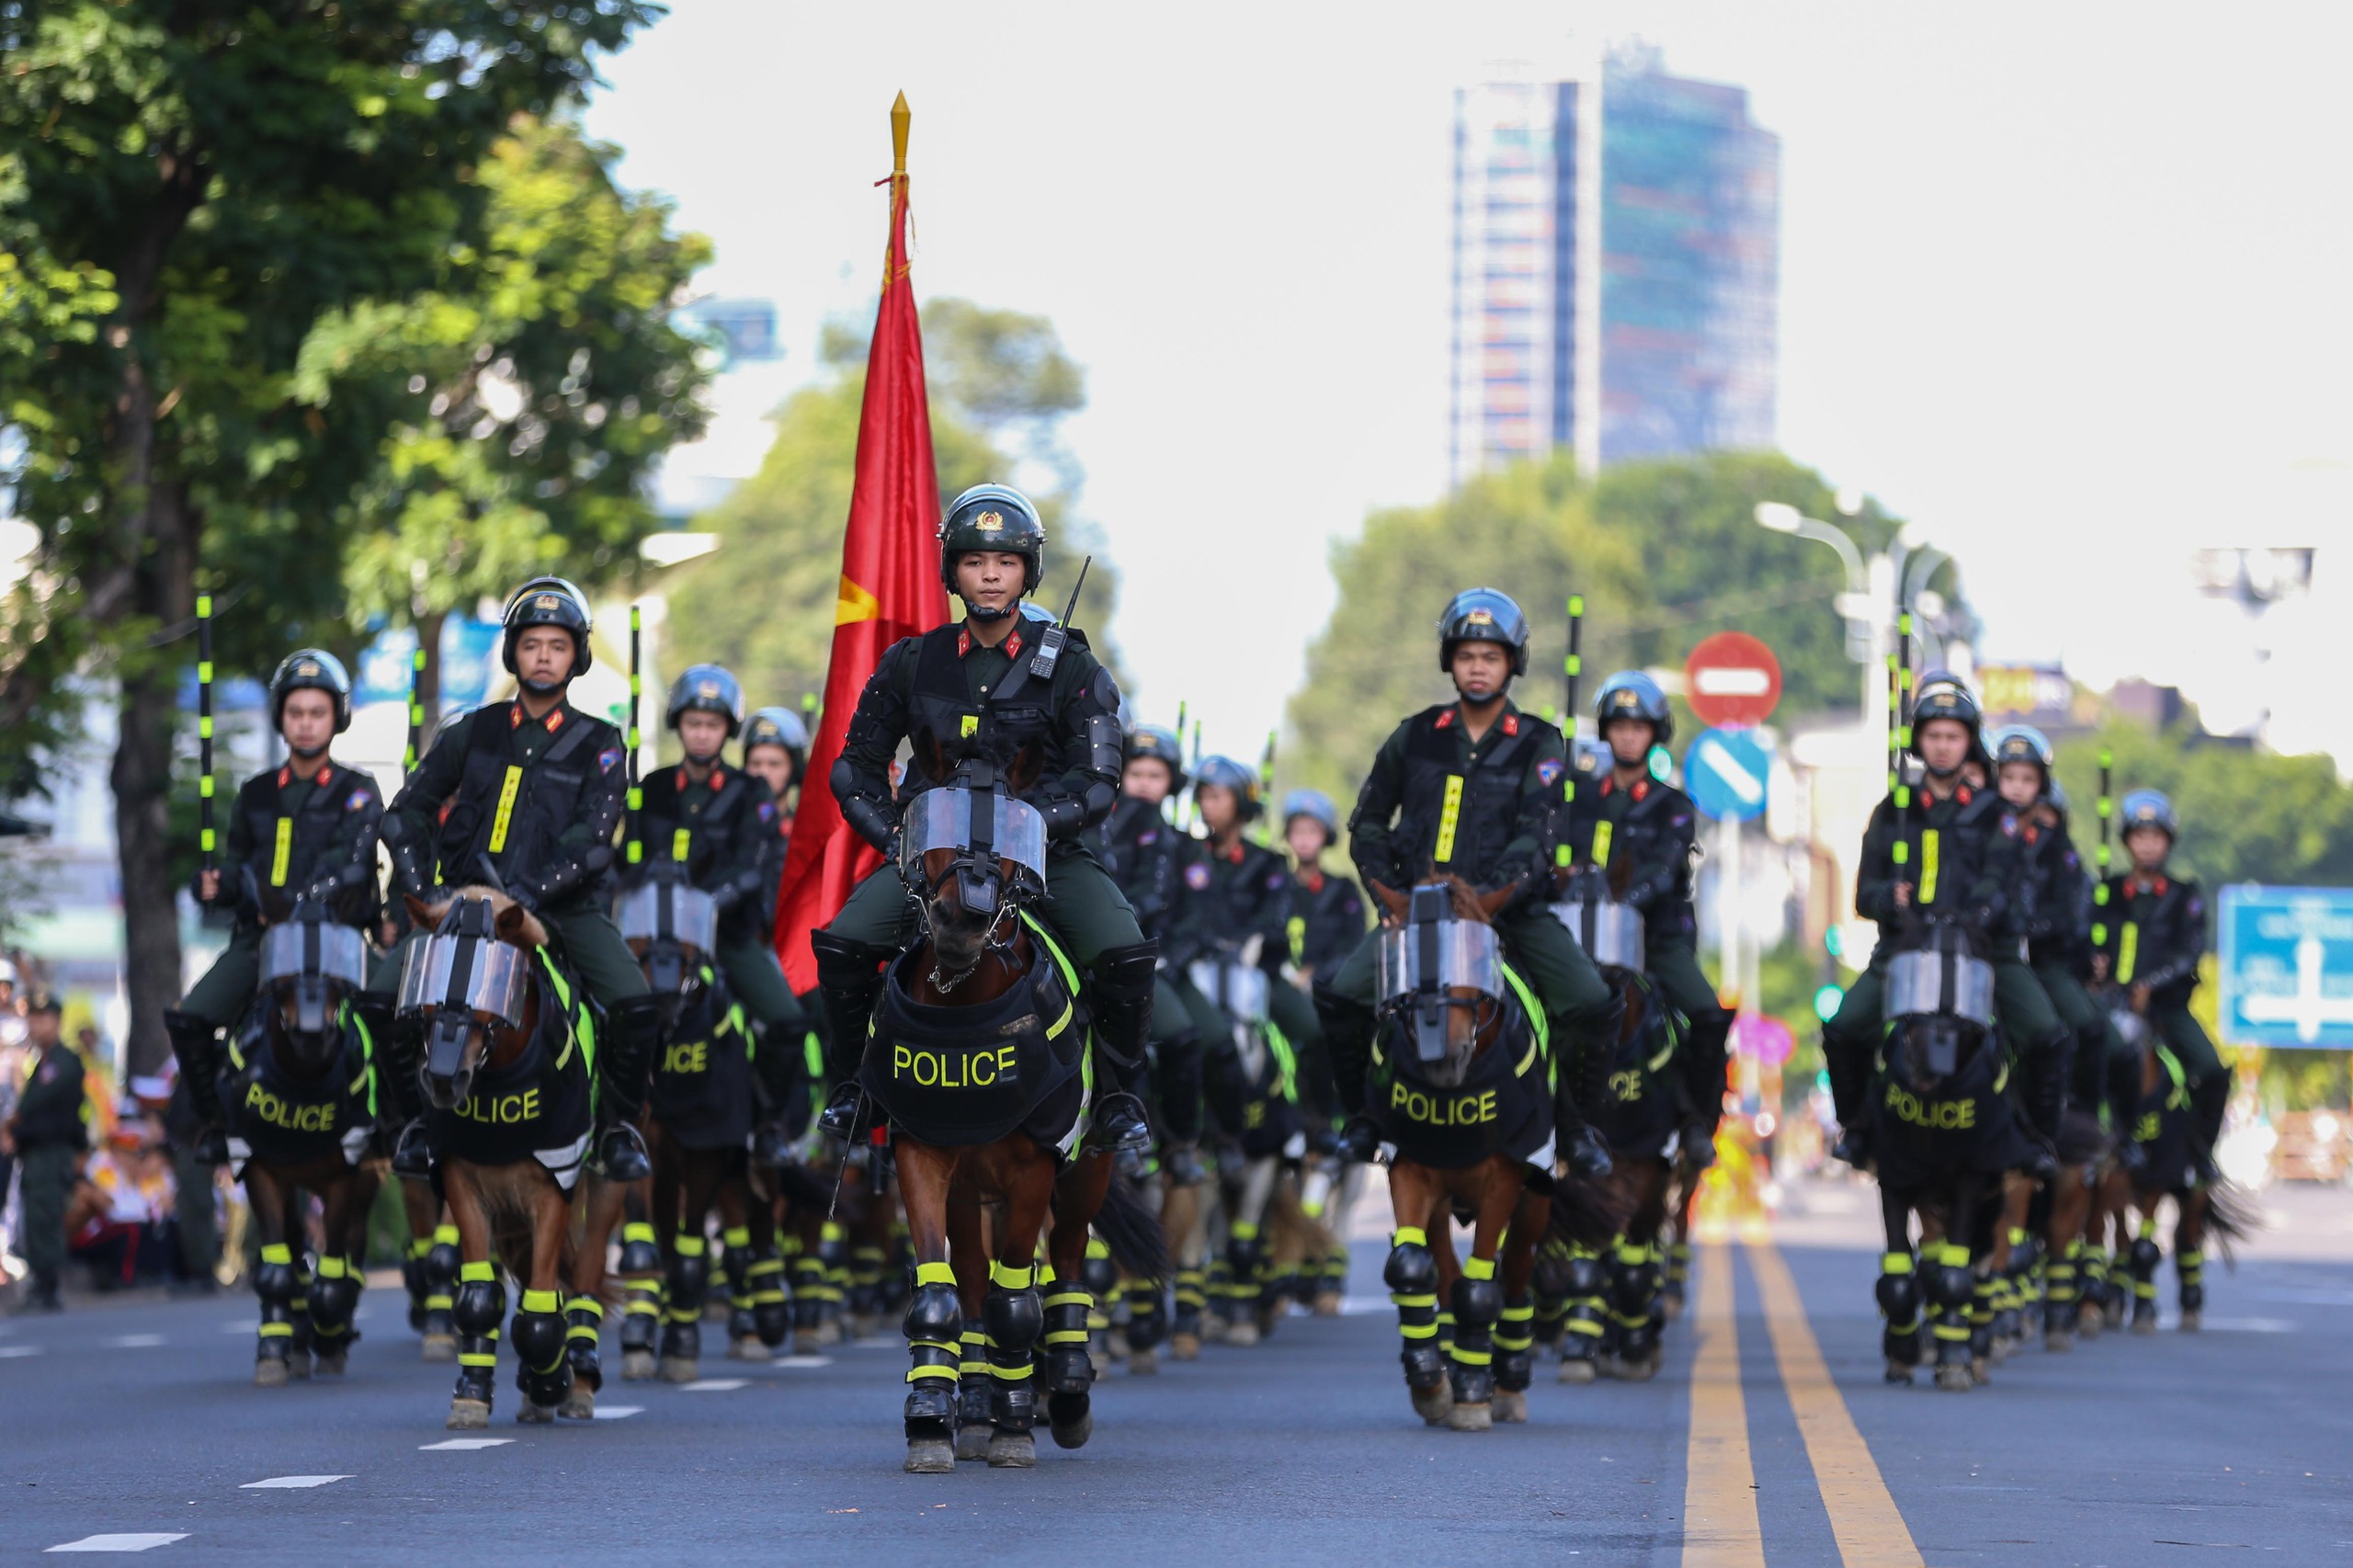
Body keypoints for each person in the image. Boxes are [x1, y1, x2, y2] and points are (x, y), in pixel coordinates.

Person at [811, 484, 1153, 1153]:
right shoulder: (913, 660)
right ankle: (855, 1089)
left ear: (1028, 571)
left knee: (1123, 952)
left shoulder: (1074, 665)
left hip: (1043, 857)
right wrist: (896, 835)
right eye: (974, 560)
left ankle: (1117, 1100)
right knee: (844, 944)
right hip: (930, 861)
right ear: (953, 571)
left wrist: (1038, 821)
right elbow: (854, 767)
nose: (990, 574)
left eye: (1005, 562)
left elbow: (1100, 781)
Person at [1312, 587, 1620, 1176]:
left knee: (1591, 1000)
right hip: (1420, 913)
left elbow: (1540, 832)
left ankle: (1576, 1127)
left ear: (1513, 663)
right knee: (1341, 995)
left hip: (1511, 911)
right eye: (1467, 655)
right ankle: (1361, 1119)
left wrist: (1493, 895)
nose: (1477, 667)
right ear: (1449, 661)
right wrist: (1390, 895)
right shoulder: (1414, 734)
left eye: (1491, 656)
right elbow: (1368, 823)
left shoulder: (1540, 741)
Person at [371, 576, 664, 1181]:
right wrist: (426, 891)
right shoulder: (470, 732)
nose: (543, 656)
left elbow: (592, 840)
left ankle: (615, 1131)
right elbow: (405, 812)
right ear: (513, 652)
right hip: (460, 908)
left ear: (576, 656)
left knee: (635, 1005)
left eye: (557, 645)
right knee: (379, 997)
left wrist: (526, 896)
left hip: (557, 911)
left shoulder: (601, 743)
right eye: (532, 644)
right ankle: (414, 1127)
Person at [1820, 674, 2068, 1167]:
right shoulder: (1893, 812)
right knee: (1844, 1027)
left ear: (1969, 742)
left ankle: (2037, 1139)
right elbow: (1862, 899)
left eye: (1953, 736)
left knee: (2046, 1033)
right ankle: (1857, 1126)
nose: (1942, 746)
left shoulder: (1996, 814)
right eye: (1933, 735)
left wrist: (1976, 915)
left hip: (1984, 952)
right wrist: (1890, 899)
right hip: (1905, 951)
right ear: (1918, 741)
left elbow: (2005, 882)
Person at [166, 651, 382, 1166]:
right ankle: (216, 1124)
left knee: (395, 1009)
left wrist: (290, 900)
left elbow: (353, 866)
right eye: (296, 713)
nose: (306, 724)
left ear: (337, 717)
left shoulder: (358, 791)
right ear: (281, 718)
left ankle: (398, 1124)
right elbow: (236, 866)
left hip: (337, 940)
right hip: (263, 942)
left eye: (317, 712)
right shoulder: (255, 793)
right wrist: (213, 885)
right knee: (191, 1018)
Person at [626, 665, 814, 1163]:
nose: (702, 733)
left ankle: (771, 1123)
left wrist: (706, 901)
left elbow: (751, 867)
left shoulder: (749, 792)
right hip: (650, 935)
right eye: (693, 723)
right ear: (678, 725)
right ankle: (614, 1120)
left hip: (725, 937)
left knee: (788, 1022)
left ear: (727, 729)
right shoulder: (651, 786)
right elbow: (629, 861)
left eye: (712, 725)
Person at [1579, 671, 1733, 1161]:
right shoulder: (1578, 799)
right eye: (1619, 725)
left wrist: (1626, 901)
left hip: (1655, 940)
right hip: (1581, 937)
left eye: (1639, 727)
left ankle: (1694, 1122)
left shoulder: (1673, 805)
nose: (1628, 735)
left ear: (1654, 734)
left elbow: (1666, 869)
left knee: (1707, 1015)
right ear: (1605, 730)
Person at [1169, 756, 1327, 1127]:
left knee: (1312, 1029)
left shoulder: (1268, 863)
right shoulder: (1184, 856)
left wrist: (1252, 941)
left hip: (1258, 972)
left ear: (1241, 803)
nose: (1208, 805)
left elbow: (1276, 918)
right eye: (1203, 796)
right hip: (1196, 970)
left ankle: (1317, 1126)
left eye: (1218, 797)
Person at [1094, 723, 1209, 1179]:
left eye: (1155, 775)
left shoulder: (1181, 842)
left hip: (1151, 960)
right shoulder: (1094, 819)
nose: (1143, 782)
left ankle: (1180, 1144)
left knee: (1183, 1039)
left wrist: (1169, 957)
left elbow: (1186, 913)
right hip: (1092, 949)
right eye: (1135, 771)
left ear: (1171, 783)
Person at [2096, 790, 2225, 1182]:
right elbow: (2089, 939)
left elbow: (2190, 952)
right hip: (2112, 1005)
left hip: (2166, 1009)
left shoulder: (2185, 895)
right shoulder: (2107, 892)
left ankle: (2201, 1152)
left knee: (2211, 1069)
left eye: (2156, 837)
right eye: (2139, 836)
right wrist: (2096, 964)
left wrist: (2152, 984)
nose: (2148, 845)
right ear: (2126, 842)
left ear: (2168, 841)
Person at [6, 994, 84, 1312]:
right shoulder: (41, 1061)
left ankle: (47, 1286)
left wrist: (13, 1124)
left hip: (52, 1150)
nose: (36, 1025)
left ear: (57, 1021)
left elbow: (34, 1107)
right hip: (37, 1150)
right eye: (32, 1018)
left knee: (45, 1214)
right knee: (36, 1215)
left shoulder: (62, 1062)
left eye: (43, 1018)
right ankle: (42, 1282)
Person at [1281, 790, 1366, 984]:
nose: (1304, 840)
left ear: (1325, 836)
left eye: (1312, 832)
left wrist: (1315, 974)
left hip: (1328, 989)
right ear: (1288, 835)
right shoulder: (1278, 888)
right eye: (1298, 831)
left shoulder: (1343, 891)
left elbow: (1353, 945)